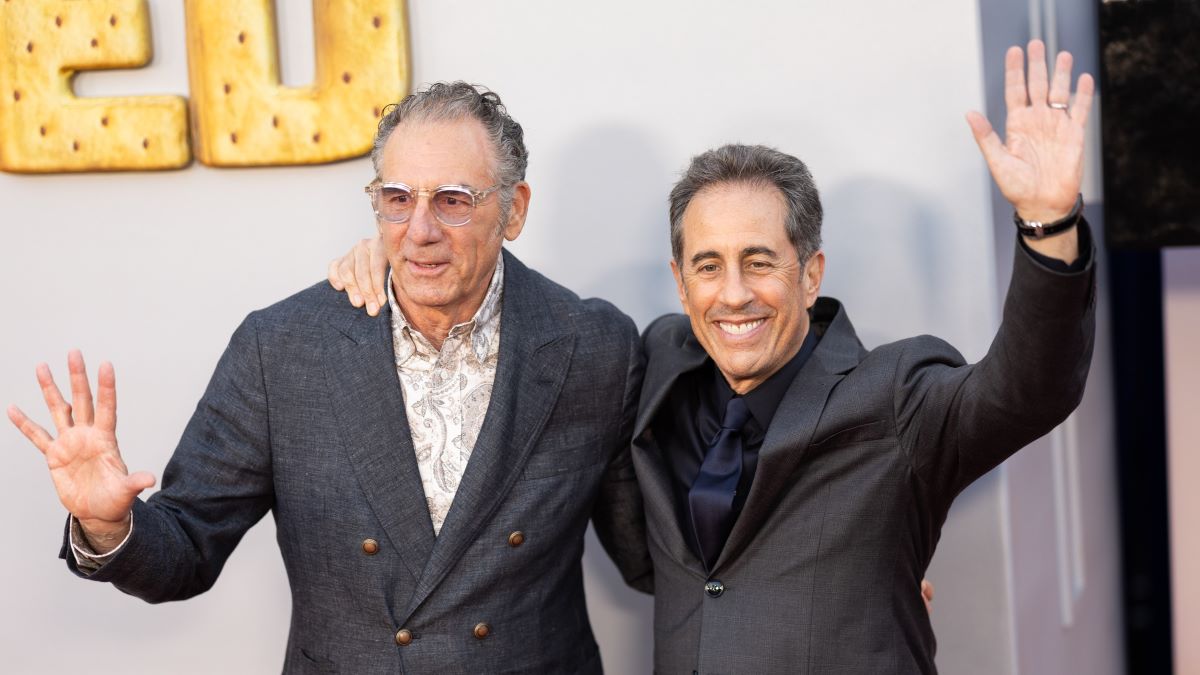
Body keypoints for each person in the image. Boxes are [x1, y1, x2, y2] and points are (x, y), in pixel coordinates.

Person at [328, 41, 1096, 673]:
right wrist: (407, 264)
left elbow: (1026, 390)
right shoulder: (657, 364)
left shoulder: (896, 395)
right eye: (708, 265)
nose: (734, 294)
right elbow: (650, 554)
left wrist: (1049, 224)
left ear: (811, 272)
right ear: (680, 282)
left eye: (760, 261)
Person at [8, 83, 652, 673]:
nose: (419, 231)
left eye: (453, 201)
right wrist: (108, 526)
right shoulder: (284, 347)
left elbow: (650, 557)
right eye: (397, 199)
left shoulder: (594, 344)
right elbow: (185, 552)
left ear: (513, 210)